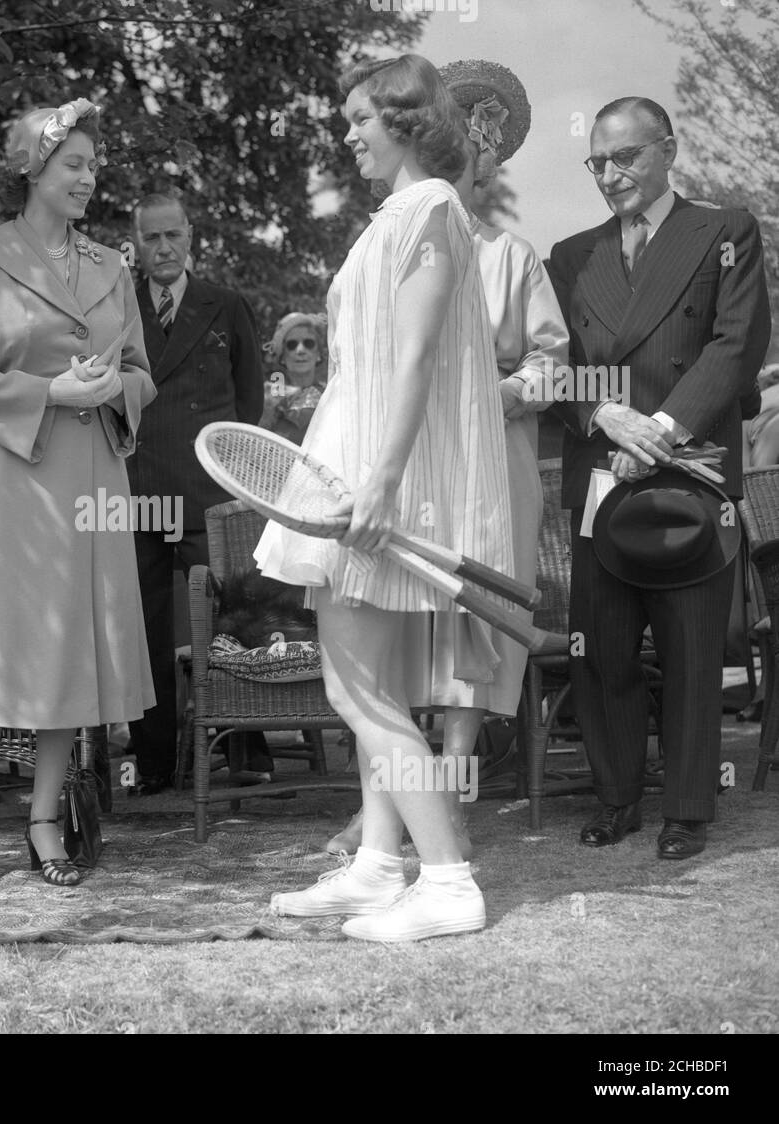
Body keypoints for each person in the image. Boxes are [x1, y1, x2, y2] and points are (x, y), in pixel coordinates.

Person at [257, 55, 513, 941]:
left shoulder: (433, 208)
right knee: (366, 684)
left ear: (402, 118)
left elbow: (413, 359)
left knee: (359, 688)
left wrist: (384, 483)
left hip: (372, 481)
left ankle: (448, 882)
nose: (348, 134)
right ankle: (375, 866)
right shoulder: (395, 218)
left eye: (359, 117)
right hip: (349, 468)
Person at [326, 60, 568, 859]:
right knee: (389, 638)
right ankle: (389, 817)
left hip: (487, 458)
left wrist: (487, 396)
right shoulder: (402, 225)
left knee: (471, 630)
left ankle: (452, 794)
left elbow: (550, 363)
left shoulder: (508, 255)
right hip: (412, 448)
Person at [0, 98, 156, 892]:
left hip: (92, 477)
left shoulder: (112, 266)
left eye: (94, 165)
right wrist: (49, 389)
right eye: (74, 165)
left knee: (69, 652)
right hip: (12, 477)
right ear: (33, 169)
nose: (90, 178)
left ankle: (47, 819)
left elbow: (143, 376)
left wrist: (110, 388)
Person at [548, 97, 771, 859]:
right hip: (602, 472)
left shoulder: (724, 230)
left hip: (690, 470)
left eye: (627, 158)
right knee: (602, 649)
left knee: (689, 650)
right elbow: (560, 366)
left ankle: (687, 808)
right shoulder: (570, 255)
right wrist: (606, 415)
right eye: (598, 162)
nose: (610, 176)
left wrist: (661, 432)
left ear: (667, 150)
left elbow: (734, 347)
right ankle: (616, 798)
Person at [128, 193, 264, 793]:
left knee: (230, 619)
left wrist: (231, 476)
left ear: (189, 237)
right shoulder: (118, 308)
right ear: (136, 243)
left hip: (209, 492)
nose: (163, 248)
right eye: (151, 238)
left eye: (172, 236)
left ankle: (245, 749)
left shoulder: (225, 305)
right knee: (146, 628)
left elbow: (250, 403)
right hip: (137, 493)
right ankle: (154, 764)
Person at [259, 312, 329, 445]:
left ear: (319, 354)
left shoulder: (329, 394)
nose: (300, 350)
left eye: (308, 343)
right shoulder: (273, 391)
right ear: (282, 357)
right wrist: (267, 410)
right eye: (292, 345)